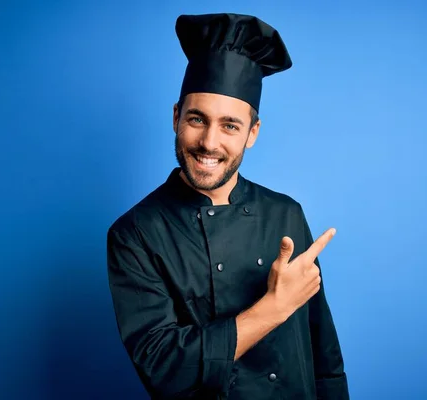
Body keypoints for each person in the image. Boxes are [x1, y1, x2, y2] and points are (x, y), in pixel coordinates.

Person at [107, 12, 349, 400]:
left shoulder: (286, 214)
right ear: (175, 118)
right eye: (197, 119)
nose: (209, 142)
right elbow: (163, 366)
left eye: (230, 125)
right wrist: (273, 308)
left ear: (252, 133)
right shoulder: (134, 233)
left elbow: (326, 361)